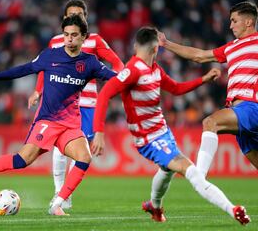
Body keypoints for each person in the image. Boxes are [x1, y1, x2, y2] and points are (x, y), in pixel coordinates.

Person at [0, 15, 117, 216]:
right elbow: (25, 69)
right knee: (22, 160)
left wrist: (136, 78)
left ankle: (57, 203)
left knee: (84, 157)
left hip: (71, 124)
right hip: (48, 121)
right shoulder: (50, 55)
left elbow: (116, 80)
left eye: (74, 35)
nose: (69, 39)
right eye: (66, 35)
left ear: (83, 38)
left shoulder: (90, 63)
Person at [92, 27, 250, 225]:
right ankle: (233, 209)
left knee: (167, 170)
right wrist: (98, 131)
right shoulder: (132, 71)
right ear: (156, 49)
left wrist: (203, 79)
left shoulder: (156, 70)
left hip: (163, 132)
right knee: (190, 170)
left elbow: (175, 88)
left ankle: (154, 206)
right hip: (148, 139)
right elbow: (105, 93)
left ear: (136, 46)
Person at [28, 0, 124, 209]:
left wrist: (118, 79)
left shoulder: (95, 40)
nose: (75, 17)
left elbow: (116, 61)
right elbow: (45, 68)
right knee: (61, 148)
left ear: (85, 18)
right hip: (61, 102)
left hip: (88, 102)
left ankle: (64, 193)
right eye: (71, 14)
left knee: (78, 150)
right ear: (64, 18)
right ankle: (60, 194)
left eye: (80, 14)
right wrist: (37, 90)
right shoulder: (55, 41)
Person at [158, 1, 258, 176]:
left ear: (248, 22)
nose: (230, 25)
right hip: (238, 111)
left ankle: (199, 177)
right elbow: (199, 56)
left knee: (210, 122)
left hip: (251, 107)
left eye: (234, 20)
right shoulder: (231, 47)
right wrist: (166, 44)